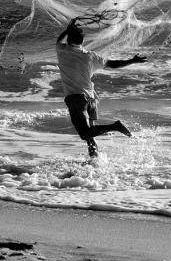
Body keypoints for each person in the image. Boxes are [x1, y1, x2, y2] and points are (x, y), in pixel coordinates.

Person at [56, 20, 147, 158]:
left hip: (76, 99)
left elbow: (59, 40)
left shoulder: (62, 50)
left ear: (68, 39)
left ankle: (115, 126)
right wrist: (132, 61)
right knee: (90, 138)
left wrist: (68, 29)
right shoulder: (91, 56)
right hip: (91, 99)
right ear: (83, 41)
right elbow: (113, 64)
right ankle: (94, 163)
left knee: (85, 134)